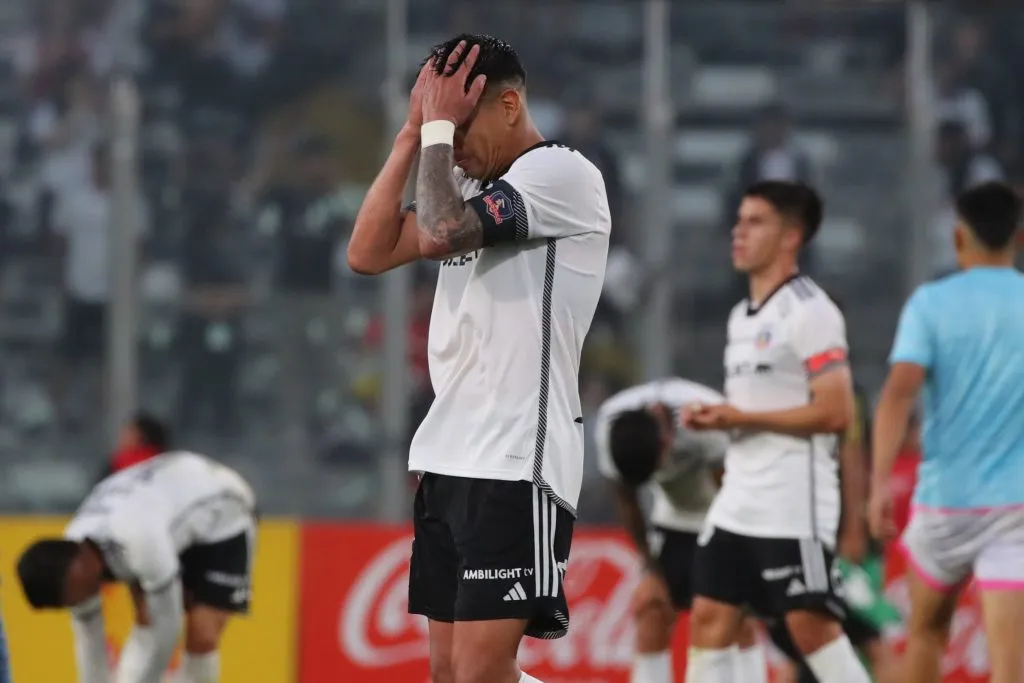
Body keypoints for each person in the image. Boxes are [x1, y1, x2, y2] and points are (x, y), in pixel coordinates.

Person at [346, 34, 610, 683]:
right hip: (450, 453)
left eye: (460, 126)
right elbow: (367, 252)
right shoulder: (463, 182)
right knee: (447, 674)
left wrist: (436, 133)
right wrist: (411, 136)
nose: (452, 145)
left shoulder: (561, 174)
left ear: (510, 105)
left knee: (479, 673)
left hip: (518, 456)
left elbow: (442, 233)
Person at [682, 180, 871, 683]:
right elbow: (754, 406)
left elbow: (836, 413)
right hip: (740, 498)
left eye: (755, 222)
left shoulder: (811, 310)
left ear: (791, 236)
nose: (738, 232)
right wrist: (720, 416)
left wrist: (739, 418)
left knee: (811, 629)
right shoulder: (740, 316)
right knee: (709, 617)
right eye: (738, 221)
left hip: (793, 503)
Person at [869, 181, 1024, 683]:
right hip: (1014, 509)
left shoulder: (930, 304)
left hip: (943, 508)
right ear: (1018, 237)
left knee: (926, 635)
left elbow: (897, 396)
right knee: (1011, 666)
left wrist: (878, 485)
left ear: (959, 237)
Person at [16, 451, 257, 683]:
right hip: (164, 515)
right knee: (147, 620)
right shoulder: (72, 559)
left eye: (73, 597)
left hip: (221, 508)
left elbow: (167, 631)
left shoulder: (138, 542)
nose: (78, 603)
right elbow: (90, 645)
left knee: (202, 634)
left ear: (77, 568)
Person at [594, 378, 767, 683]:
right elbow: (627, 501)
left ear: (665, 443)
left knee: (733, 614)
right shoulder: (609, 426)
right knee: (651, 605)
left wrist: (740, 557)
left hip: (724, 513)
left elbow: (732, 494)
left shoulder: (705, 422)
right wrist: (650, 568)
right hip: (673, 518)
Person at [769, 382, 901, 683]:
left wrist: (854, 528)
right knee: (796, 644)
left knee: (870, 637)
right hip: (801, 534)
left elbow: (852, 456)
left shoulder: (838, 386)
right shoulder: (788, 387)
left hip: (838, 539)